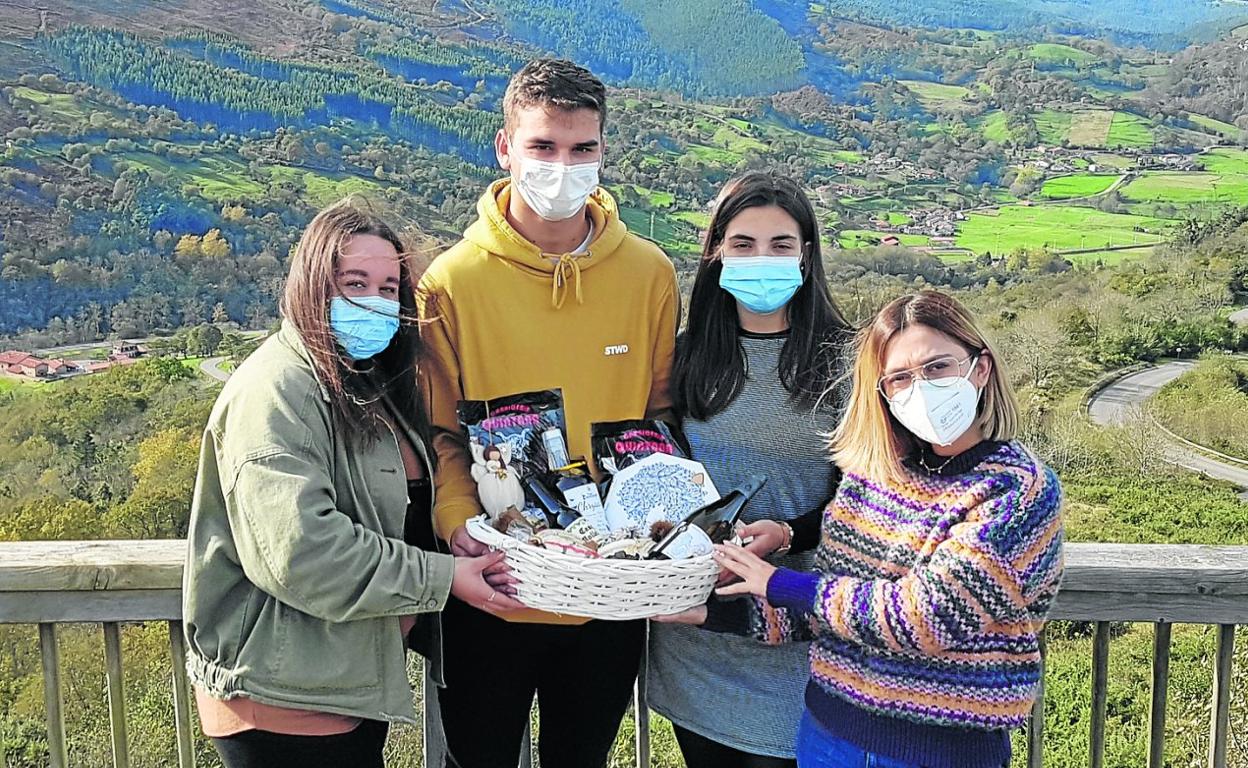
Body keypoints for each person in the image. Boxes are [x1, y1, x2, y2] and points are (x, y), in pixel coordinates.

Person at [182, 199, 516, 768]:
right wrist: (440, 577)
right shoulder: (277, 392)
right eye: (354, 283)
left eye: (388, 289)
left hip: (337, 681)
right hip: (284, 695)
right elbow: (301, 553)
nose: (374, 302)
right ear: (311, 285)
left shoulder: (362, 384)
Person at [670, 290, 1064, 768]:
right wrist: (711, 612)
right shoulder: (874, 477)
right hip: (827, 736)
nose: (921, 389)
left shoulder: (1016, 490)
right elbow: (827, 611)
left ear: (980, 368)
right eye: (900, 378)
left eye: (937, 367)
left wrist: (777, 581)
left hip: (940, 754)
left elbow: (927, 616)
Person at [417, 58, 679, 768]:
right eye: (543, 147)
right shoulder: (452, 282)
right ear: (505, 148)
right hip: (491, 585)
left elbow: (657, 421)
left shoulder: (649, 275)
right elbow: (441, 432)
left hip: (606, 592)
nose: (563, 166)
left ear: (603, 150)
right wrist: (456, 527)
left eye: (581, 149)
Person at [646, 171, 852, 768]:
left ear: (807, 256)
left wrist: (791, 533)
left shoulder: (849, 359)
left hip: (804, 627)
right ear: (716, 253)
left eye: (780, 244)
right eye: (743, 244)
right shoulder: (685, 358)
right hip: (698, 630)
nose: (762, 259)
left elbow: (869, 497)